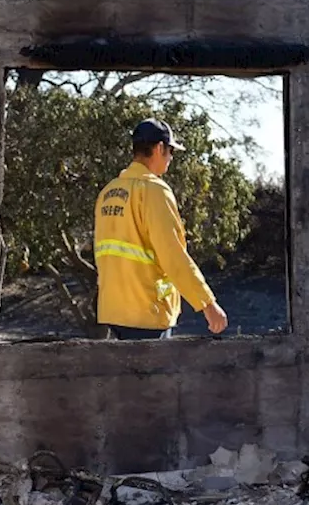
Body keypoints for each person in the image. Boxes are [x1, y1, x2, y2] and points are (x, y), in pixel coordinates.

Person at [92, 118, 228, 340]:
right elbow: (172, 255)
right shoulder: (154, 191)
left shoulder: (108, 193)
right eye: (170, 152)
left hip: (113, 311)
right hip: (147, 313)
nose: (171, 158)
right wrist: (208, 304)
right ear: (159, 148)